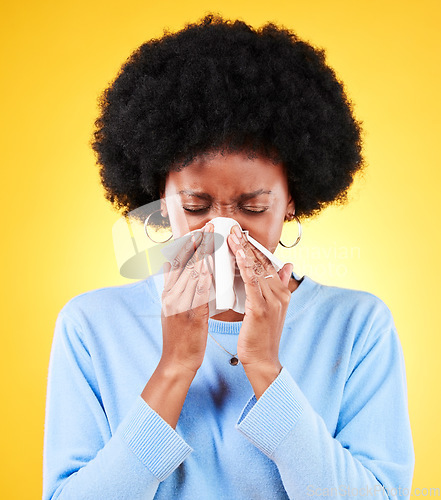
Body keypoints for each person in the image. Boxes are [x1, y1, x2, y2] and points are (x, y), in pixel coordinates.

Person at [43, 13, 414, 500]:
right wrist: (174, 366)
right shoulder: (90, 327)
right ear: (158, 197)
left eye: (254, 207)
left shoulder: (358, 326)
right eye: (195, 207)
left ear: (292, 201)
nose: (224, 230)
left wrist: (264, 367)